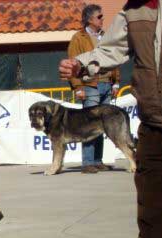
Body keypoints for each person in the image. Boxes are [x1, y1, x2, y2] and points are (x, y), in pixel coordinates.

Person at [59, 1, 162, 238]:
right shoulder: (133, 12)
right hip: (155, 126)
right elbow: (111, 51)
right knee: (151, 214)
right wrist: (81, 65)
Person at [67, 4, 121, 174]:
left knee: (102, 125)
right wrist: (77, 87)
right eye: (99, 17)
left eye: (102, 16)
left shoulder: (106, 37)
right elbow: (72, 63)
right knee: (89, 124)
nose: (102, 19)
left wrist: (116, 82)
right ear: (89, 19)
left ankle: (98, 160)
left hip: (106, 84)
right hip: (89, 86)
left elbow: (114, 58)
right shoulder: (78, 38)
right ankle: (87, 162)